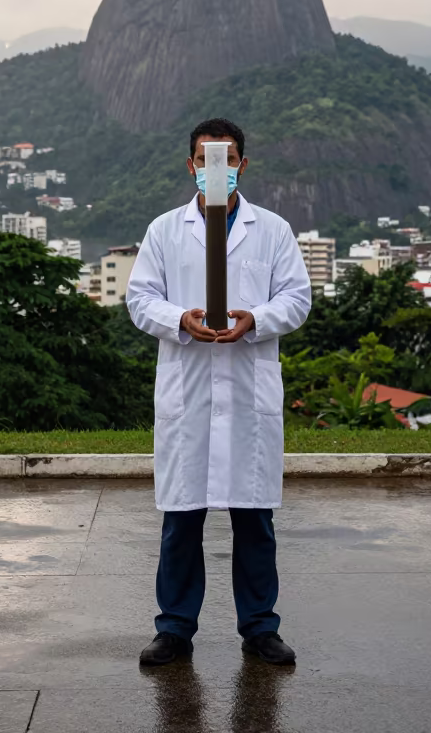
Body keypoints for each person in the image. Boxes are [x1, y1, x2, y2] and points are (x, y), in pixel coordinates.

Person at [126, 117, 311, 667]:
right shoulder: (164, 230)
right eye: (208, 159)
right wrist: (179, 318)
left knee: (253, 517)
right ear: (190, 166)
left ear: (242, 166)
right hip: (190, 390)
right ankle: (175, 628)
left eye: (228, 160)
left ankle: (260, 627)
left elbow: (297, 299)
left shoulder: (273, 230)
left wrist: (254, 318)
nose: (219, 169)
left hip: (247, 389)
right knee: (182, 517)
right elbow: (139, 300)